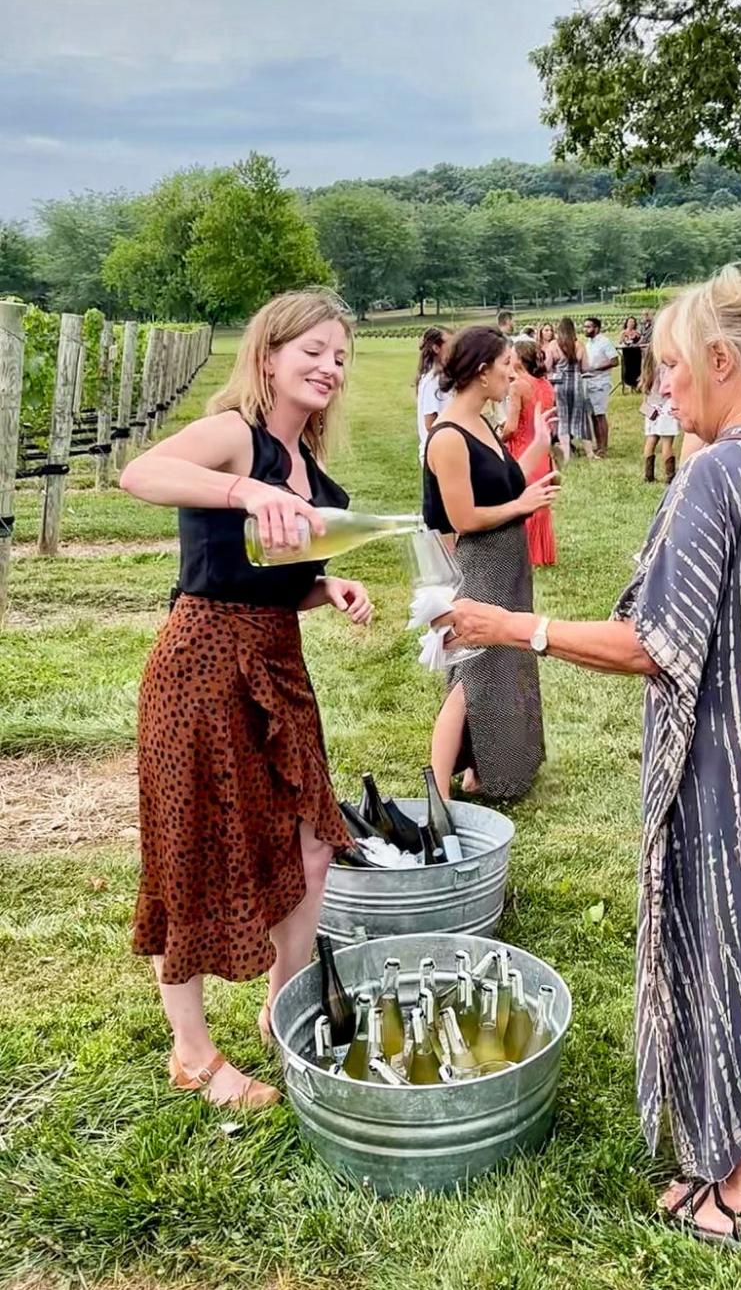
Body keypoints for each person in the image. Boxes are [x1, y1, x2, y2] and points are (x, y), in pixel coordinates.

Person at [440, 267, 741, 1245]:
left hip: (740, 770)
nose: (669, 386)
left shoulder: (722, 470)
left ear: (727, 360)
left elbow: (657, 642)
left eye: (681, 365)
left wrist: (512, 625)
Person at [119, 290, 373, 1110]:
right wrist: (242, 492)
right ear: (268, 356)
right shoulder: (236, 435)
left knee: (312, 841)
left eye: (339, 354)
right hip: (200, 663)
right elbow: (141, 471)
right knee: (191, 849)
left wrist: (326, 586)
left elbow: (271, 578)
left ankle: (283, 1004)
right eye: (313, 351)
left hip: (276, 663)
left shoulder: (316, 474)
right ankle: (191, 1051)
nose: (329, 366)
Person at [423, 325, 559, 800]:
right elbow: (464, 517)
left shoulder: (481, 423)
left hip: (507, 560)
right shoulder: (447, 437)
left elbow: (504, 482)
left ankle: (481, 772)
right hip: (479, 564)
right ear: (482, 372)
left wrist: (538, 445)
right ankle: (438, 789)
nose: (512, 375)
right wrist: (523, 507)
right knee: (474, 669)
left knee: (502, 663)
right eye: (506, 366)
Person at [502, 340, 557, 567]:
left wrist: (497, 436)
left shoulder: (518, 386)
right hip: (542, 450)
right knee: (540, 503)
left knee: (522, 500)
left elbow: (512, 426)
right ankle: (541, 553)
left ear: (520, 359)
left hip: (523, 448)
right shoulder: (545, 384)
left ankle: (526, 553)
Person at [550, 316, 597, 463]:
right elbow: (586, 367)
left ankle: (566, 456)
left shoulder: (553, 345)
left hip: (559, 384)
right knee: (581, 417)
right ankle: (589, 453)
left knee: (562, 418)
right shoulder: (579, 345)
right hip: (576, 383)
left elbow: (546, 366)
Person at [640, 344, 680, 483]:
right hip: (665, 405)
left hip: (651, 405)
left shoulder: (647, 368)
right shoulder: (665, 368)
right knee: (667, 442)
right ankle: (670, 476)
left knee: (651, 439)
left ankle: (648, 474)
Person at [582, 316, 619, 456]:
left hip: (601, 382)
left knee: (600, 415)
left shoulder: (604, 342)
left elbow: (615, 361)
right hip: (589, 381)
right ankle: (598, 444)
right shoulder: (588, 343)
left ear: (596, 328)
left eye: (588, 327)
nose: (585, 329)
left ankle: (604, 446)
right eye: (585, 326)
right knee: (593, 415)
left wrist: (596, 368)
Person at [415, 326, 450, 465]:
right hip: (437, 453)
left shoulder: (441, 377)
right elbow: (430, 423)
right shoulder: (432, 381)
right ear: (436, 348)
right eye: (449, 344)